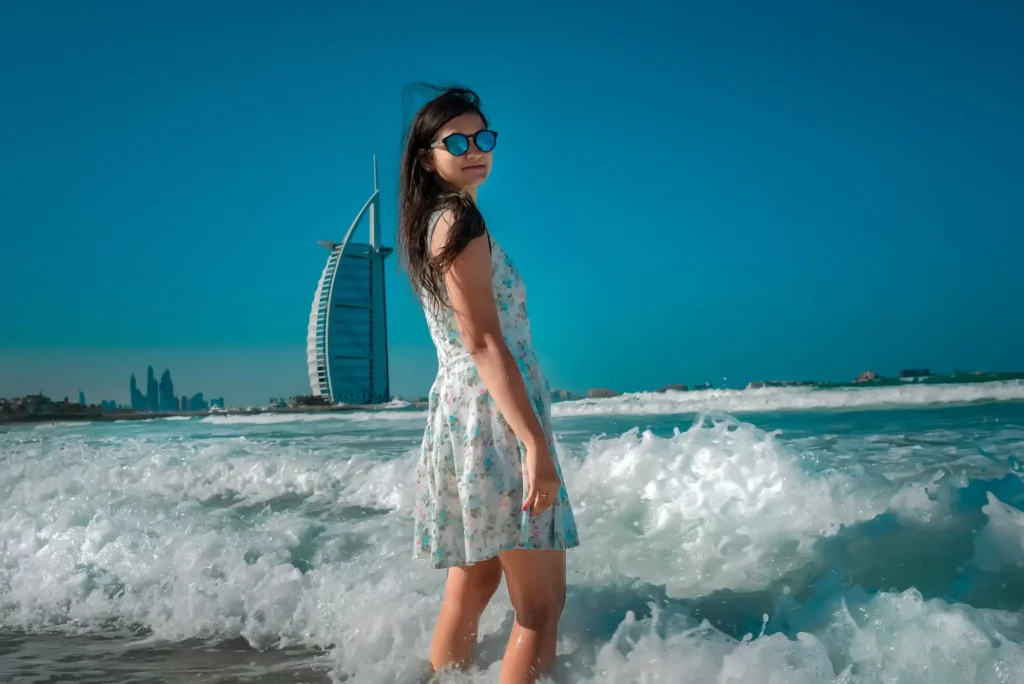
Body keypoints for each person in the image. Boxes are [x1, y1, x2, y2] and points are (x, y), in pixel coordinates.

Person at [397, 86, 581, 683]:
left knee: (472, 586)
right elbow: (482, 341)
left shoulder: (431, 220)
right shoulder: (460, 219)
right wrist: (532, 444)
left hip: (462, 413)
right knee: (540, 608)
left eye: (483, 138)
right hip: (493, 417)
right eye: (457, 141)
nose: (475, 150)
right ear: (428, 156)